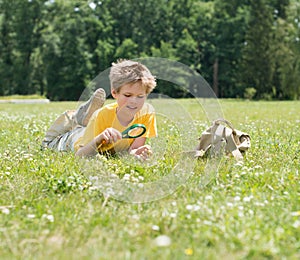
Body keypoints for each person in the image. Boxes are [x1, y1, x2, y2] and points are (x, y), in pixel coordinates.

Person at [42, 59, 157, 160]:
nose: (133, 101)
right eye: (127, 95)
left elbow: (134, 148)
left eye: (140, 96)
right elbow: (79, 155)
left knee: (85, 128)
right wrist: (99, 139)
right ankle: (75, 118)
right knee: (49, 144)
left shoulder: (147, 113)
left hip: (91, 130)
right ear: (114, 93)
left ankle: (83, 120)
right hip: (76, 141)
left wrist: (134, 153)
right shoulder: (101, 115)